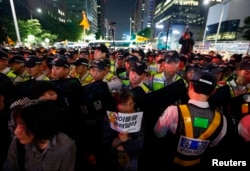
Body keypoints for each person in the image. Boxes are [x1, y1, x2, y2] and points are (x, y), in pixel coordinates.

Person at [154, 70, 227, 169]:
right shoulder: (221, 119)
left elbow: (159, 133)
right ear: (213, 91)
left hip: (170, 162)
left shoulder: (173, 111)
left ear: (191, 86)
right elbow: (214, 144)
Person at [3, 99, 76, 171]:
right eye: (17, 124)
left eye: (22, 126)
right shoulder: (17, 143)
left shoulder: (65, 146)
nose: (16, 132)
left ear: (38, 125)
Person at [102, 88, 145, 171]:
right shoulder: (110, 117)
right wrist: (119, 139)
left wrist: (126, 142)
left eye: (131, 103)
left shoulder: (138, 116)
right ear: (117, 104)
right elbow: (106, 142)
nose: (128, 107)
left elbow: (139, 143)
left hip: (133, 156)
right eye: (124, 104)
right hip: (113, 157)